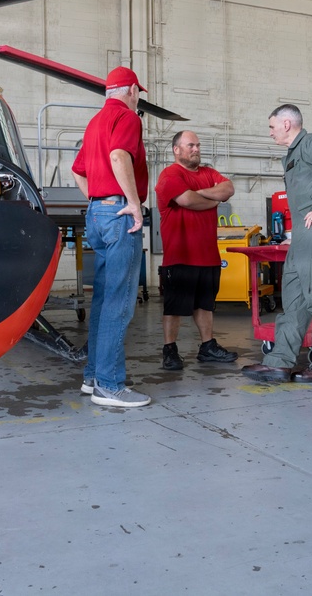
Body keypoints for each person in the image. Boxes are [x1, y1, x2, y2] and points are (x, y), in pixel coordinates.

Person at [241, 104, 312, 383]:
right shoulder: (292, 154)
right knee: (294, 295)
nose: (271, 132)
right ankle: (279, 362)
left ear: (287, 124)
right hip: (302, 232)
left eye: (272, 126)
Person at [71, 66, 152, 408]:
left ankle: (93, 376)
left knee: (103, 299)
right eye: (138, 93)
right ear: (132, 90)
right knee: (119, 304)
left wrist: (98, 200)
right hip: (120, 216)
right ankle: (110, 385)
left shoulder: (94, 124)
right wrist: (132, 203)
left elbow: (78, 171)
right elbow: (119, 156)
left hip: (97, 214)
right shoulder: (129, 119)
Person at [154, 130, 238, 370]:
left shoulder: (208, 173)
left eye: (198, 145)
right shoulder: (169, 175)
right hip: (180, 256)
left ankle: (207, 347)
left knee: (205, 304)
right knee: (174, 306)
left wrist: (199, 194)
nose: (196, 149)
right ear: (176, 150)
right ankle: (170, 351)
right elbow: (187, 201)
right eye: (190, 145)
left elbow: (228, 189)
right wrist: (211, 199)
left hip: (208, 255)